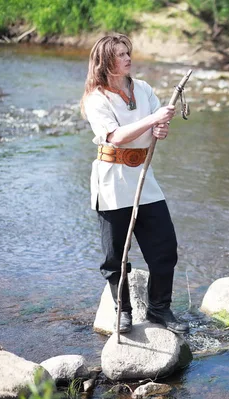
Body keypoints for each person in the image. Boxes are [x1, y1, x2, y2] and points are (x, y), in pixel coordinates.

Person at [80, 34, 188, 335]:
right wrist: (153, 118)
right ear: (105, 62)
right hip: (112, 181)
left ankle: (158, 309)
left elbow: (155, 127)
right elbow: (115, 136)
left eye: (128, 52)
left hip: (143, 177)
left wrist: (160, 127)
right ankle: (123, 310)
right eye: (120, 54)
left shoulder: (143, 89)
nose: (128, 57)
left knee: (165, 250)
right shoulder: (96, 99)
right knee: (115, 257)